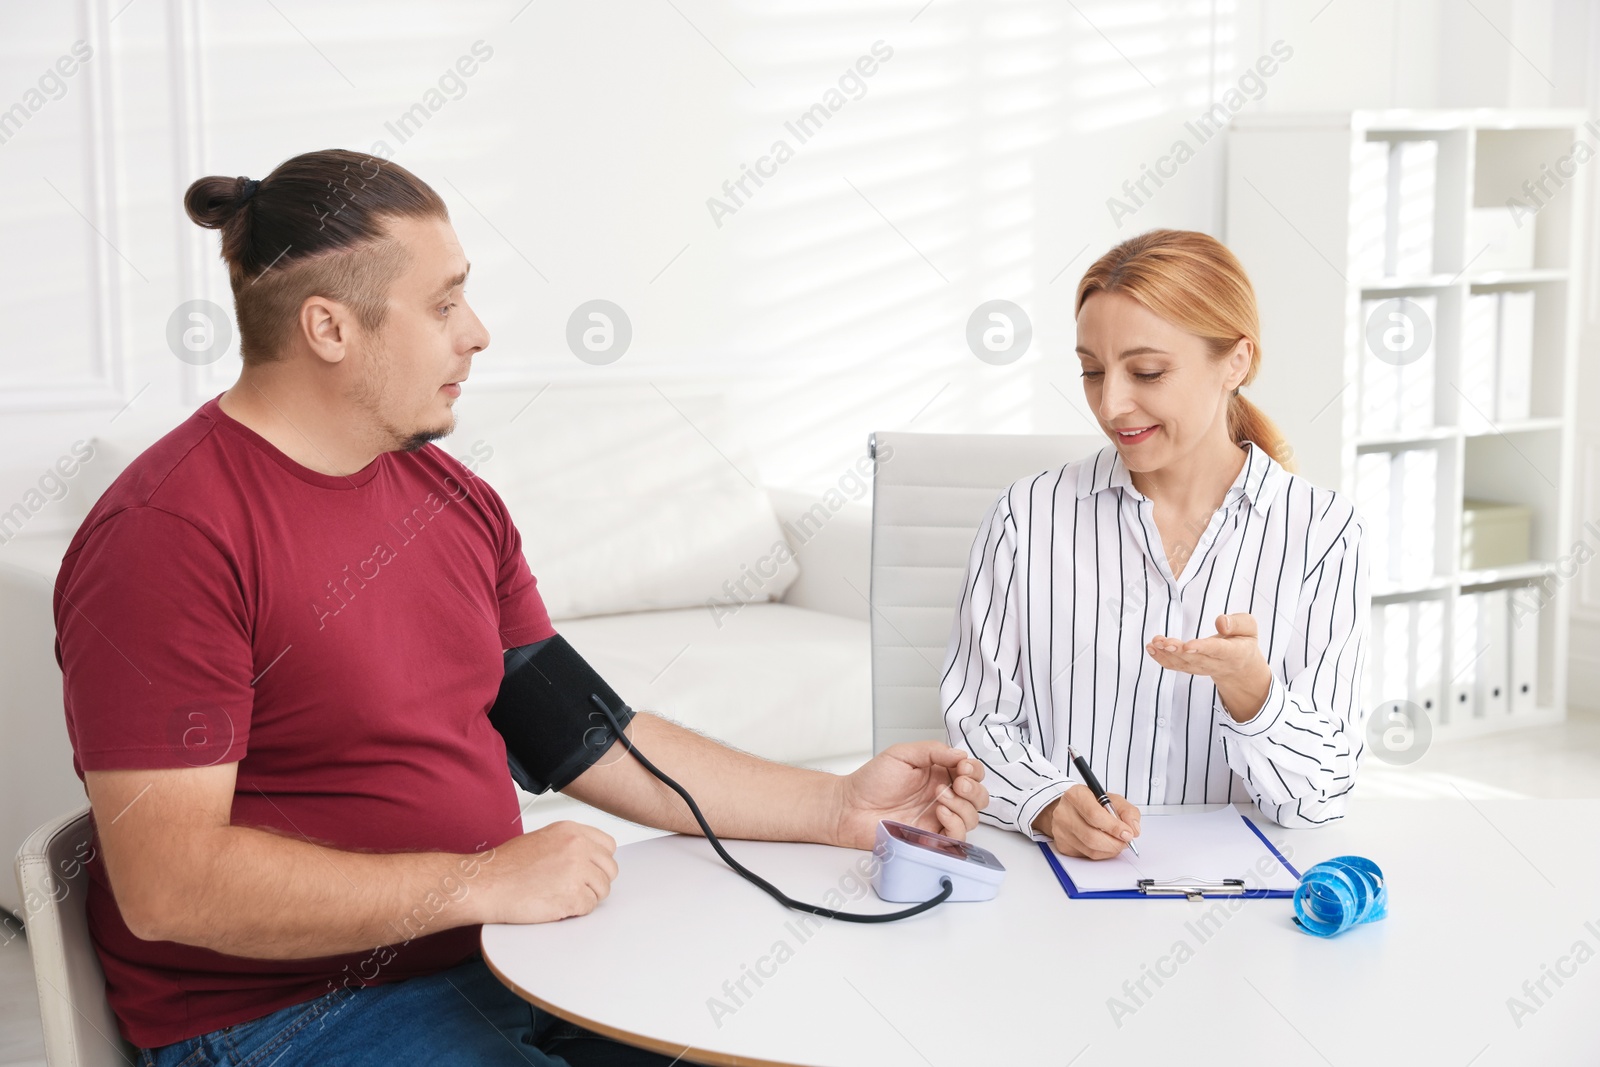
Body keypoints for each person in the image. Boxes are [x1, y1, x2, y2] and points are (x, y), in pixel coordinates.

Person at [53, 148, 988, 1067]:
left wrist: (834, 805)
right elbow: (170, 887)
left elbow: (580, 733)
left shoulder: (448, 497)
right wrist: (480, 879)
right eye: (445, 302)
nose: (478, 332)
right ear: (329, 328)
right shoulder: (168, 535)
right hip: (286, 1017)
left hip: (504, 952)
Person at [939, 228, 1369, 862]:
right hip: (1059, 897)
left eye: (1147, 371)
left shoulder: (1323, 534)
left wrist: (1253, 693)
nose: (1111, 403)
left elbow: (1320, 798)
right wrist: (1051, 806)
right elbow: (975, 728)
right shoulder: (1026, 517)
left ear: (1236, 362)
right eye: (1091, 371)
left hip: (1241, 907)